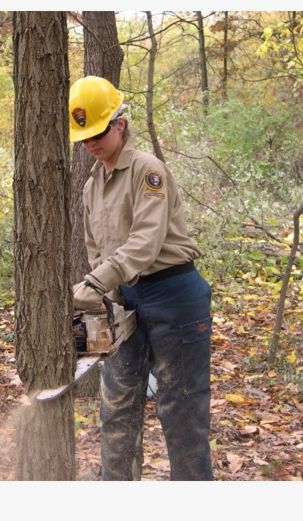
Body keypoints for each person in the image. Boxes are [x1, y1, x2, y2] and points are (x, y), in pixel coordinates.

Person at [69, 76, 213, 481]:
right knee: (115, 408)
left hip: (174, 295)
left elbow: (146, 241)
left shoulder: (149, 171)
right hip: (125, 298)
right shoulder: (91, 187)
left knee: (181, 412)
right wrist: (102, 301)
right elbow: (95, 246)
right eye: (83, 137)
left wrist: (97, 281)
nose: (90, 143)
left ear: (119, 123)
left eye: (97, 132)